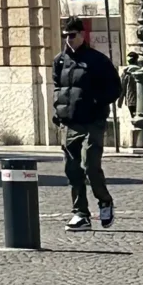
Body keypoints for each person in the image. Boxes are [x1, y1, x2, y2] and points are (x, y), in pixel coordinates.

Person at [52, 20, 122, 233]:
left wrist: (94, 101)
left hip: (93, 121)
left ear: (83, 35)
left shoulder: (98, 60)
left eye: (72, 35)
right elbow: (58, 87)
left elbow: (114, 89)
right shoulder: (60, 61)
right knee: (72, 170)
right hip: (69, 122)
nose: (68, 39)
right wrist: (58, 111)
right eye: (65, 35)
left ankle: (104, 201)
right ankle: (80, 213)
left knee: (90, 165)